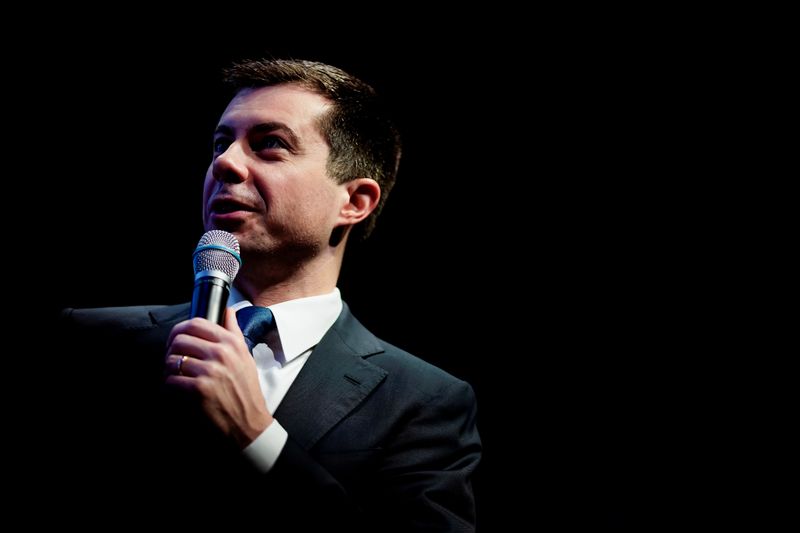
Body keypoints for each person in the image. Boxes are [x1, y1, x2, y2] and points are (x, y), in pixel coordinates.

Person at [60, 58, 481, 531]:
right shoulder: (89, 340)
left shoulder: (424, 402)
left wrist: (257, 438)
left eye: (270, 145)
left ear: (354, 201)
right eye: (222, 143)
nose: (224, 162)